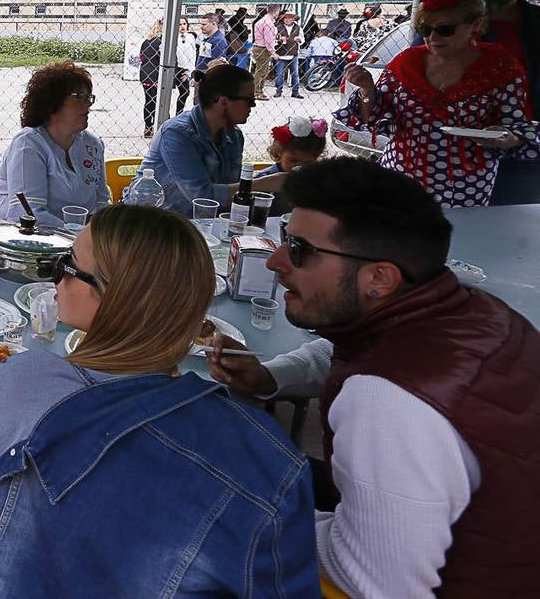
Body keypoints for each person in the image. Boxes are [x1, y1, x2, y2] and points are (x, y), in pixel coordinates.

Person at [0, 203, 318, 596]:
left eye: (67, 265)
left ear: (116, 298)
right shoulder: (268, 466)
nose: (54, 276)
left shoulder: (6, 385)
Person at [207, 158, 540, 596]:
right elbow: (346, 351)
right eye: (285, 239)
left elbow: (374, 578)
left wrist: (242, 518)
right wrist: (269, 378)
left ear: (379, 278)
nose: (275, 262)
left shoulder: (388, 403)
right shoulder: (469, 310)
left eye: (300, 250)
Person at [337, 0, 536, 207]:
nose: (432, 37)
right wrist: (367, 91)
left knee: (456, 240)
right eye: (426, 29)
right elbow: (374, 119)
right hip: (398, 177)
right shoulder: (406, 62)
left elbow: (516, 128)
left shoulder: (500, 68)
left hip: (466, 186)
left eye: (445, 29)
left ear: (475, 25)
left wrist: (506, 138)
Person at [130, 65, 286, 215]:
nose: (253, 106)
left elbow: (232, 191)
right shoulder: (177, 134)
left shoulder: (234, 135)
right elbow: (202, 197)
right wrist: (266, 183)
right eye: (249, 100)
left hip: (204, 222)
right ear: (223, 101)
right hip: (159, 223)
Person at [0, 61, 110, 227]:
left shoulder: (93, 145)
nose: (88, 104)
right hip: (11, 239)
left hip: (72, 240)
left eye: (88, 97)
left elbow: (101, 202)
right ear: (52, 102)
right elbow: (27, 215)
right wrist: (77, 236)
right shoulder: (28, 145)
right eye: (79, 97)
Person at [473, 0, 540, 205]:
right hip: (466, 147)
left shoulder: (536, 25)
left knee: (515, 224)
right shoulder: (454, 23)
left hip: (527, 147)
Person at [258, 116, 328, 175]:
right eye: (294, 161)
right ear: (278, 155)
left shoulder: (318, 180)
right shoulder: (262, 180)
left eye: (308, 163)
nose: (300, 167)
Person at [137, 20, 164, 138]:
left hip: (145, 73)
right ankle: (158, 126)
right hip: (157, 74)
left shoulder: (146, 41)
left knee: (149, 100)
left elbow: (141, 58)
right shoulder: (163, 42)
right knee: (159, 101)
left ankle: (148, 126)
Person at [273, 9, 304, 98]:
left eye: (289, 18)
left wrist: (299, 40)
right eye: (285, 18)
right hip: (281, 54)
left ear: (293, 19)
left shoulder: (298, 28)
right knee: (279, 74)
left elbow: (302, 40)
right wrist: (279, 40)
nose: (287, 19)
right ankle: (278, 90)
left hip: (293, 54)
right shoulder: (277, 27)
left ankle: (295, 92)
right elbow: (273, 39)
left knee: (295, 74)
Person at [252, 4, 278, 100]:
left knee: (261, 70)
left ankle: (258, 90)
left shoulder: (261, 21)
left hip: (259, 47)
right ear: (276, 11)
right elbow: (268, 39)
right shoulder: (268, 23)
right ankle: (258, 92)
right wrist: (273, 52)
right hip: (263, 49)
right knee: (262, 72)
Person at [172, 21, 198, 115]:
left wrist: (189, 71)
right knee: (167, 93)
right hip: (174, 67)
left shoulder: (190, 37)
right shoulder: (173, 37)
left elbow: (193, 54)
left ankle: (178, 114)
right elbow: (178, 54)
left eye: (184, 24)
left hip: (184, 68)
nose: (182, 26)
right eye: (179, 24)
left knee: (185, 92)